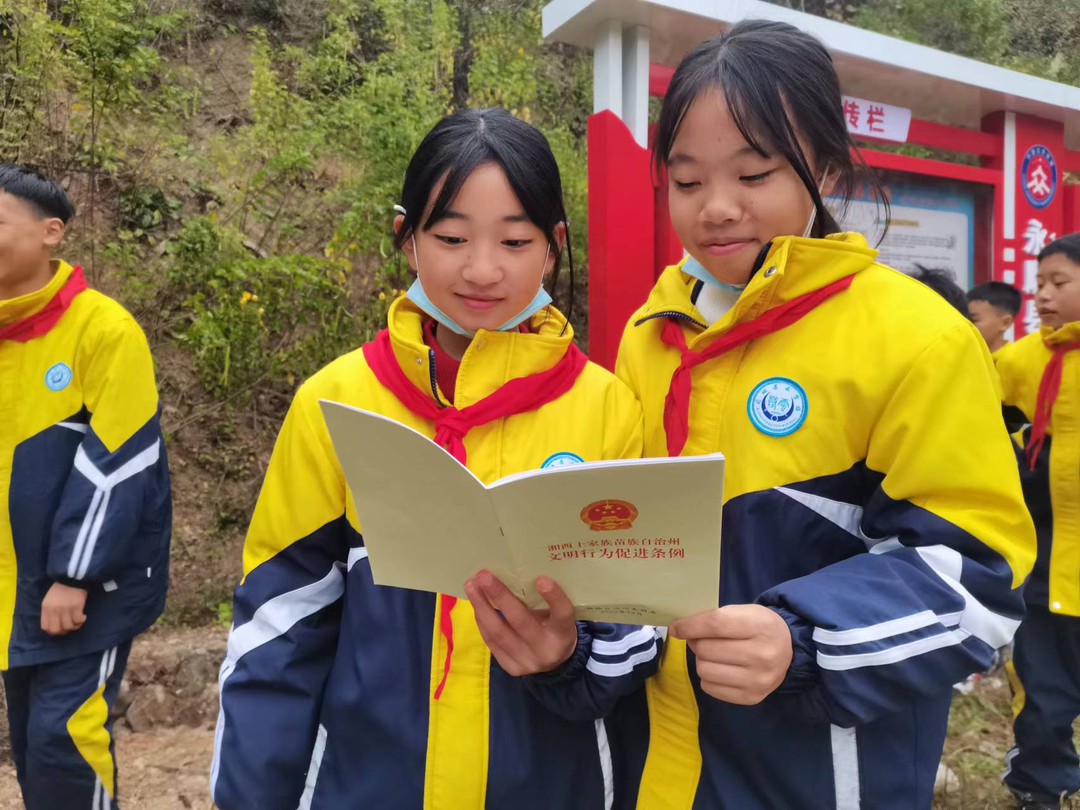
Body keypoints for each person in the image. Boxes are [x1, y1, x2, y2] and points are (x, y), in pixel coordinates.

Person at [609, 20, 1034, 810]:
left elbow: (979, 579)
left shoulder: (916, 337)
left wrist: (803, 639)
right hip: (655, 763)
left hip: (816, 775)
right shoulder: (651, 333)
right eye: (687, 182)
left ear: (827, 169)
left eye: (754, 173)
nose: (717, 208)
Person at [211, 108, 661, 810]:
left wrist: (569, 653)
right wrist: (249, 794)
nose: (481, 269)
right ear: (407, 238)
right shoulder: (336, 402)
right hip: (364, 788)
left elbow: (644, 621)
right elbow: (281, 622)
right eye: (451, 238)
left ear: (553, 248)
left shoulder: (608, 409)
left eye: (515, 240)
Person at [0, 163, 171, 809]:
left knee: (63, 740)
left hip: (81, 590)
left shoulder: (102, 329)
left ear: (51, 232)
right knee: (32, 744)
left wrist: (74, 575)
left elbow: (121, 459)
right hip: (13, 587)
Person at [996, 232, 1080, 810]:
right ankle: (1041, 786)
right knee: (1042, 687)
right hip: (1043, 561)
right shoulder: (1018, 362)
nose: (1043, 295)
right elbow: (980, 430)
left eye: (1059, 282)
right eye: (1040, 283)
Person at [969, 280, 1022, 355]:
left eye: (974, 320)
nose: (967, 325)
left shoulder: (1016, 360)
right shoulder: (965, 357)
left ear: (1005, 323)